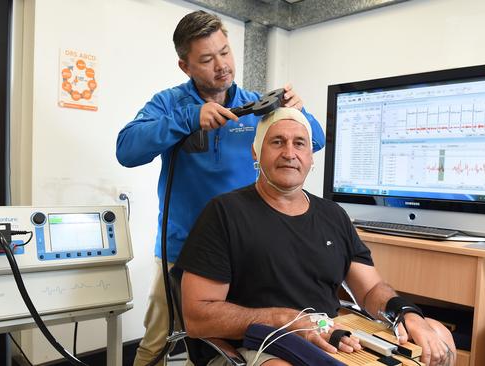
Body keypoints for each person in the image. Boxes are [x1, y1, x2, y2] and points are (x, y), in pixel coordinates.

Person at [115, 10, 325, 366]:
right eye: (207, 59)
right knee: (156, 345)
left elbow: (313, 141)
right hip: (178, 253)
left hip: (243, 253)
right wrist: (188, 119)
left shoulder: (258, 104)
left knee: (236, 345)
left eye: (225, 52)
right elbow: (127, 149)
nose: (222, 66)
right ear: (185, 66)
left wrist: (300, 112)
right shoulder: (170, 104)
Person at [177, 107, 457, 366]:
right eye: (277, 142)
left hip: (331, 335)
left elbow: (371, 290)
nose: (289, 152)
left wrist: (406, 314)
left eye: (299, 143)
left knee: (438, 334)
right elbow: (198, 316)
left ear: (311, 156)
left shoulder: (333, 215)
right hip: (260, 343)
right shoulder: (224, 213)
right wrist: (284, 319)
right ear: (255, 152)